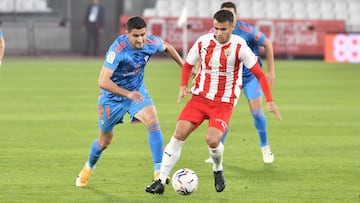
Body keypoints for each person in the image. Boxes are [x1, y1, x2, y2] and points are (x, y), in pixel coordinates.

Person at [145, 9, 281, 194]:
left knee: (212, 139)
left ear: (232, 27)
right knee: (179, 133)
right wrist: (183, 86)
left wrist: (270, 100)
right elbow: (188, 64)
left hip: (223, 102)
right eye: (216, 28)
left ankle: (217, 169)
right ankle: (160, 181)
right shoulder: (203, 42)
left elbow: (259, 74)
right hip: (200, 98)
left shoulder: (240, 46)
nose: (218, 33)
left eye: (223, 29)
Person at [75, 16, 184, 187]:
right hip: (112, 98)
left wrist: (184, 66)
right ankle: (88, 168)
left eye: (143, 34)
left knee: (153, 121)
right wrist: (127, 94)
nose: (140, 39)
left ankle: (159, 172)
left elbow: (168, 47)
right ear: (126, 34)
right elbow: (102, 81)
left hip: (137, 92)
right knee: (104, 141)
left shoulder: (150, 42)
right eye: (136, 36)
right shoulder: (118, 50)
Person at [204, 1, 277, 164]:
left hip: (251, 76)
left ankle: (265, 147)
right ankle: (218, 151)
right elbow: (204, 50)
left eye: (231, 14)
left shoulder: (247, 31)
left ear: (236, 16)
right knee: (221, 115)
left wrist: (271, 71)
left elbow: (267, 44)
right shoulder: (214, 33)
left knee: (257, 112)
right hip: (229, 80)